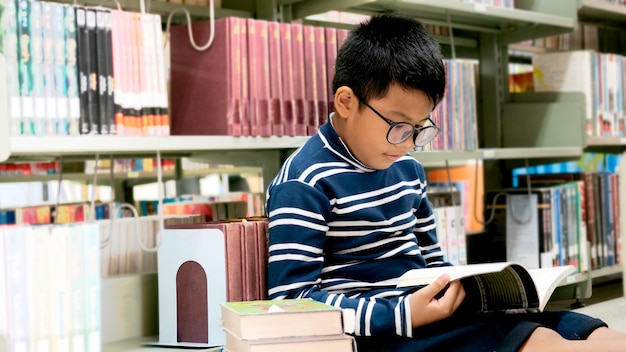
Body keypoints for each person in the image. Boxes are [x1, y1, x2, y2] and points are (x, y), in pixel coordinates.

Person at [265, 12, 626, 352]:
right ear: (346, 101)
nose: (408, 143)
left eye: (420, 128)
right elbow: (291, 300)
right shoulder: (304, 181)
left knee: (584, 327)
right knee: (535, 340)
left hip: (428, 319)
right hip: (379, 335)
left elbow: (433, 261)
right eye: (398, 126)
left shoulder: (407, 170)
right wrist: (401, 315)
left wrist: (473, 288)